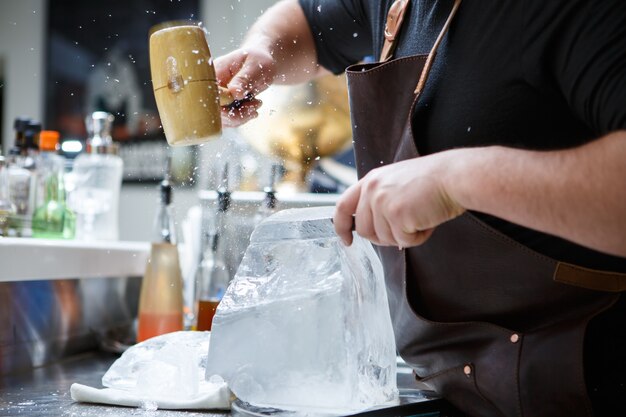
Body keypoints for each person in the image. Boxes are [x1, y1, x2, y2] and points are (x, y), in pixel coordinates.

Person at [214, 1, 626, 416]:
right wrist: (263, 51)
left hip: (584, 390)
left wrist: (456, 180)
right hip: (449, 391)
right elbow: (309, 21)